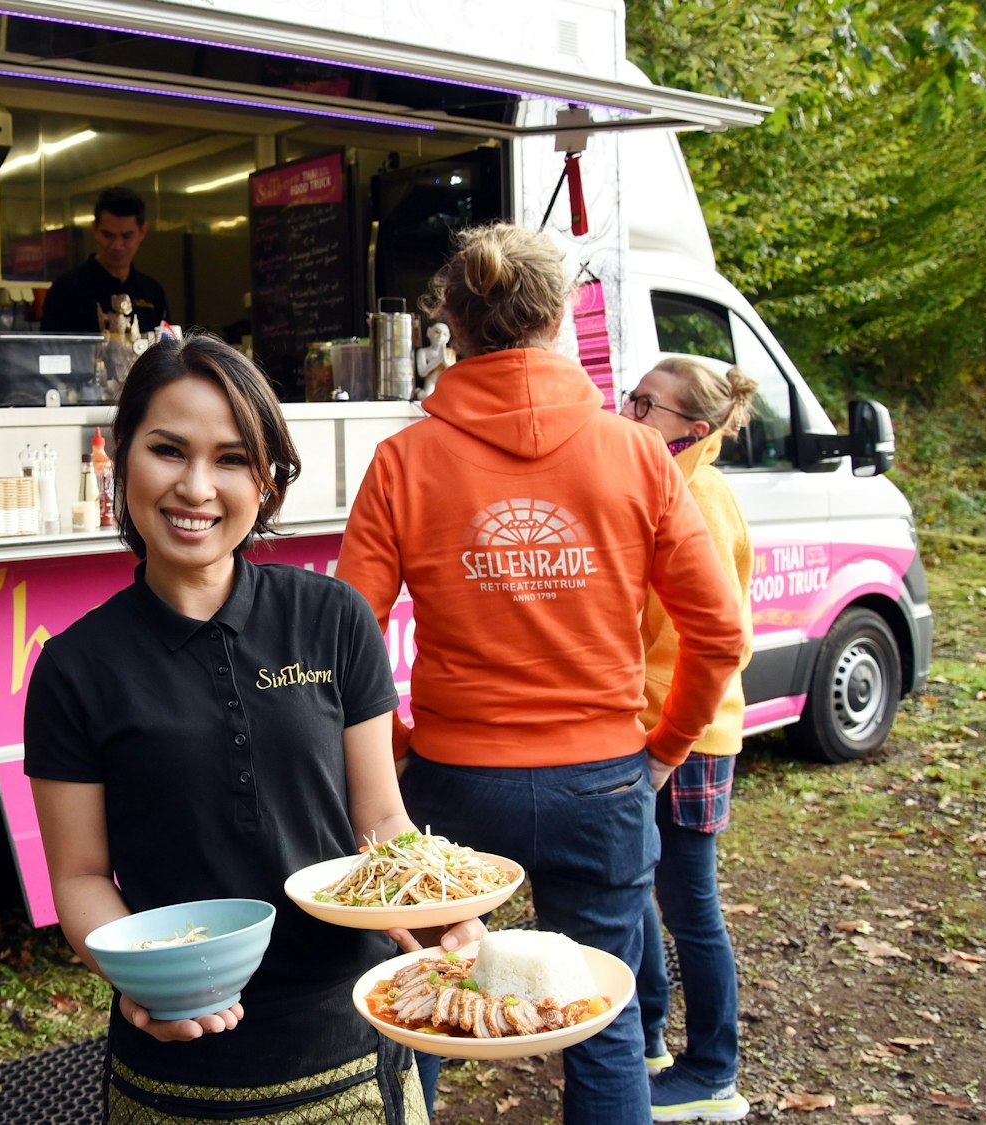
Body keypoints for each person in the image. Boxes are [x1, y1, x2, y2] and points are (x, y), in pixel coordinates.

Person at [335, 223, 750, 1125]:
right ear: (561, 318)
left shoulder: (405, 461)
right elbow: (719, 631)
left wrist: (401, 748)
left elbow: (347, 636)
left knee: (422, 1005)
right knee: (600, 1024)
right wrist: (664, 749)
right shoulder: (639, 454)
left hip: (452, 782)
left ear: (450, 321)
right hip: (602, 781)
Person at [25, 333, 476, 1124]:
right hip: (176, 1068)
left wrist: (448, 909)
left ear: (265, 481)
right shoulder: (75, 667)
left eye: (232, 459)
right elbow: (82, 877)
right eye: (168, 449)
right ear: (122, 457)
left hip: (349, 1041)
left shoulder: (331, 617)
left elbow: (379, 819)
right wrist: (142, 978)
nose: (195, 486)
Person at [621, 358, 758, 1124]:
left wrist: (664, 738)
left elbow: (717, 642)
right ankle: (646, 1039)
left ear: (692, 431)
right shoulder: (668, 482)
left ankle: (713, 1071)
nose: (628, 411)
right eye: (631, 395)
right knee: (635, 882)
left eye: (646, 404)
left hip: (690, 731)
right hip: (648, 725)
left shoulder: (697, 497)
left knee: (689, 904)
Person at [41, 187, 171, 335]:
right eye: (108, 235)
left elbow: (167, 352)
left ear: (142, 232)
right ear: (95, 229)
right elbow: (50, 353)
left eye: (127, 236)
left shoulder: (152, 292)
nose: (117, 246)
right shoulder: (67, 290)